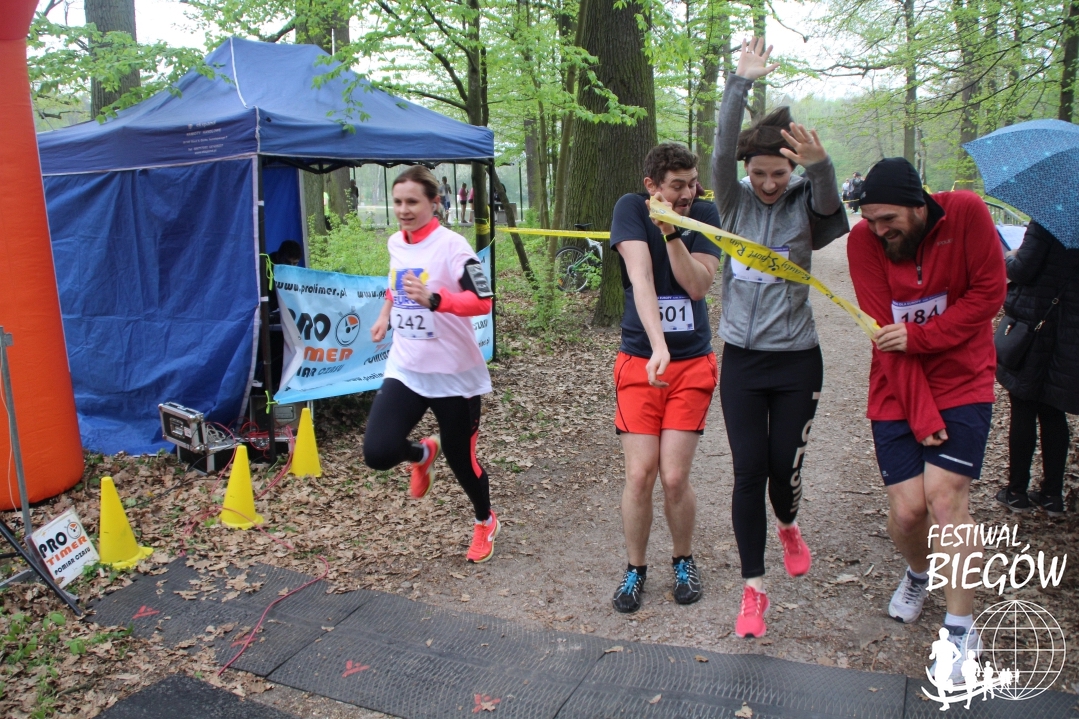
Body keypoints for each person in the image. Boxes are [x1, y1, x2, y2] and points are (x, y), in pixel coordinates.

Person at [847, 157, 1006, 685]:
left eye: (888, 219)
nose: (879, 230)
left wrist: (921, 337)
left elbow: (988, 295)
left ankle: (960, 630)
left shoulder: (967, 213)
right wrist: (919, 413)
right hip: (896, 386)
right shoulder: (864, 242)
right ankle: (919, 573)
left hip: (963, 377)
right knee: (910, 511)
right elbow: (882, 333)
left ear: (919, 206)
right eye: (870, 220)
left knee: (944, 498)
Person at [711, 38, 849, 639]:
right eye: (759, 173)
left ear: (791, 170)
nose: (768, 183)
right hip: (743, 360)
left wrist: (820, 166)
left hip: (797, 361)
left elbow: (829, 201)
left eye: (778, 173)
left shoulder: (804, 206)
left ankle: (789, 524)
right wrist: (739, 82)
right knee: (747, 471)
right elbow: (721, 149)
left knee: (780, 470)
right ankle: (754, 590)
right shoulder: (732, 201)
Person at [608, 142, 723, 613]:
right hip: (641, 360)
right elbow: (641, 279)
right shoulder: (630, 208)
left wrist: (673, 231)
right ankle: (635, 568)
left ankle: (682, 559)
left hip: (692, 363)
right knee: (640, 474)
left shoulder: (704, 213)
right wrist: (658, 345)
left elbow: (697, 286)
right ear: (652, 186)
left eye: (692, 183)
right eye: (677, 186)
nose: (688, 193)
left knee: (674, 477)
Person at [362, 166, 499, 563]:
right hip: (406, 367)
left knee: (461, 461)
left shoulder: (454, 247)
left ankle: (485, 520)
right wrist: (385, 315)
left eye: (412, 202)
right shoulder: (396, 241)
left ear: (434, 203)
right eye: (398, 202)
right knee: (378, 452)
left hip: (454, 375)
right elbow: (396, 283)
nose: (403, 210)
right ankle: (422, 455)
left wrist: (436, 300)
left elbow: (483, 301)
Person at [994, 221, 1079, 517]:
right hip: (1072, 333)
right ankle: (1052, 496)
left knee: (1024, 405)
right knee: (1054, 409)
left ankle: (1016, 492)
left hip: (1036, 324)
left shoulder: (1050, 218)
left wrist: (1010, 256)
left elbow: (1022, 270)